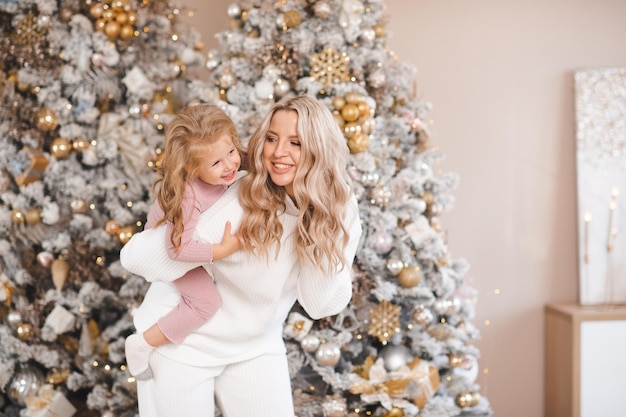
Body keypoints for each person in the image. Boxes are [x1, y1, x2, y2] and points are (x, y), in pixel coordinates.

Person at [120, 95, 362, 417]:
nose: (278, 153)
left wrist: (322, 226)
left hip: (257, 345)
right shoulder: (239, 193)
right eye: (272, 139)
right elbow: (136, 257)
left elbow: (320, 304)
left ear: (319, 148)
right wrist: (211, 246)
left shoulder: (340, 208)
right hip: (184, 344)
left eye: (296, 143)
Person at [124, 104, 244, 380]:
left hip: (184, 234)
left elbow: (244, 161)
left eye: (232, 152)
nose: (230, 165)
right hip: (168, 246)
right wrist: (220, 250)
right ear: (191, 167)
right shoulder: (190, 195)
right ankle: (141, 343)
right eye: (216, 163)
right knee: (205, 302)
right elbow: (176, 248)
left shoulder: (227, 156)